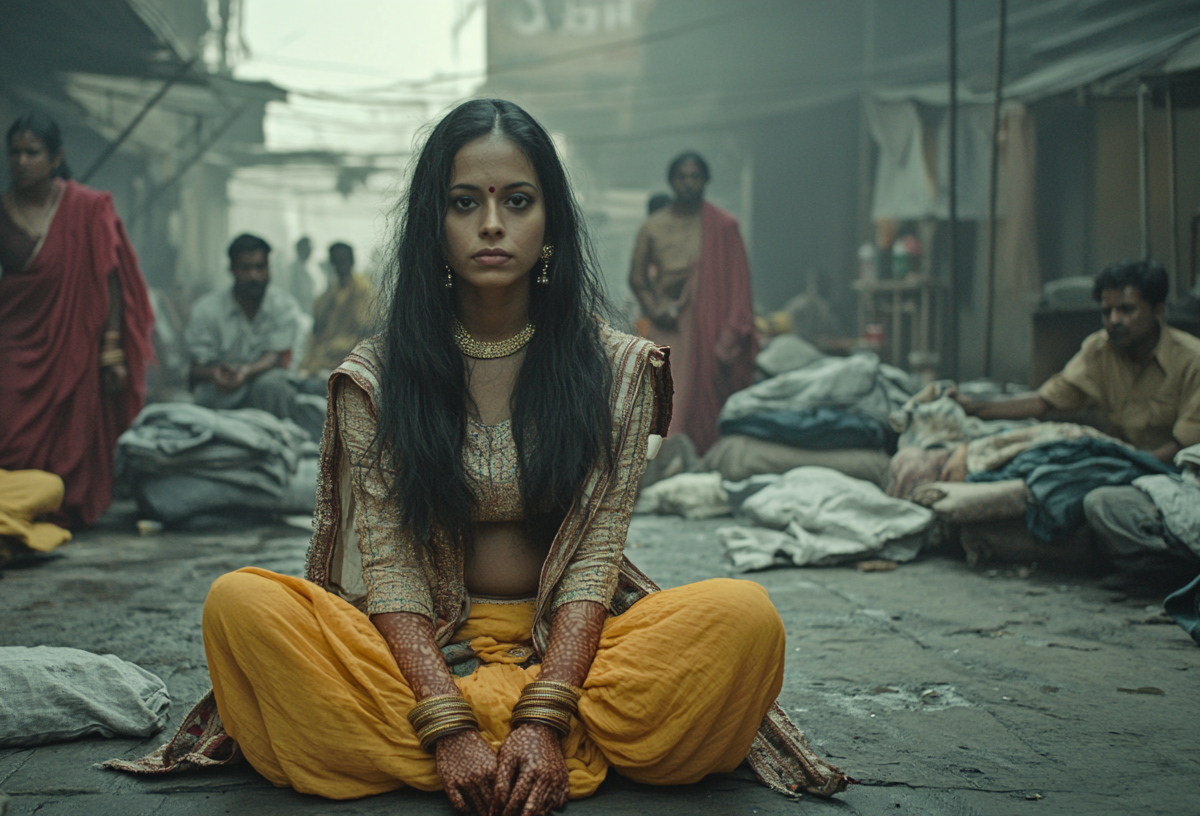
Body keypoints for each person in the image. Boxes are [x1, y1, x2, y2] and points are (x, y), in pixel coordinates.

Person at [201, 99, 796, 814]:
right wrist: (448, 723)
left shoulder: (614, 368)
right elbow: (388, 567)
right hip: (422, 647)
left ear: (549, 222)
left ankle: (509, 745)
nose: (491, 225)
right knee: (240, 604)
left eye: (517, 201)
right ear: (435, 223)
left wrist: (544, 714)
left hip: (571, 647)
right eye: (464, 203)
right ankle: (509, 751)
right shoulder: (381, 375)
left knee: (745, 618)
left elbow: (594, 560)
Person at [953, 260, 1200, 587]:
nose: (1114, 320)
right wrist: (975, 408)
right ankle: (1126, 554)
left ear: (1157, 309)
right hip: (1129, 469)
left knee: (1098, 503)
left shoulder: (1199, 361)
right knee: (1046, 489)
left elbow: (1191, 445)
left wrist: (1122, 467)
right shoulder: (1100, 349)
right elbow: (1046, 401)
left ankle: (1165, 572)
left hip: (1181, 476)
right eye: (1107, 311)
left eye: (1127, 310)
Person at [0, 112, 153, 529]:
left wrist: (111, 349)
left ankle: (58, 512)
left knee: (74, 433)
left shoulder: (88, 208)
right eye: (14, 152)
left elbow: (111, 279)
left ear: (56, 157)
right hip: (13, 343)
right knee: (5, 433)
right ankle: (13, 511)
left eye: (32, 152)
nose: (21, 161)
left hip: (77, 343)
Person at [628, 152, 755, 454]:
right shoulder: (653, 227)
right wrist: (655, 309)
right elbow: (636, 278)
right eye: (681, 177)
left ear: (705, 181)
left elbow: (739, 285)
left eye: (694, 176)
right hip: (668, 325)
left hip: (709, 326)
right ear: (671, 181)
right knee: (669, 405)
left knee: (706, 406)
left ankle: (703, 462)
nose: (688, 183)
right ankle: (666, 464)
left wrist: (729, 331)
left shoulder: (723, 227)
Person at [184, 234, 310, 421]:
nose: (254, 275)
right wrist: (215, 374)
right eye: (246, 268)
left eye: (260, 267)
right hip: (220, 401)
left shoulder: (284, 306)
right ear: (232, 270)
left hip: (266, 399)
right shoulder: (206, 310)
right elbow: (197, 367)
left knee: (274, 383)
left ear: (268, 269)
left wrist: (245, 372)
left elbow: (276, 356)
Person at [299, 241, 375, 377]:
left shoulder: (362, 288)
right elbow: (319, 325)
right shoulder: (331, 292)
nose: (340, 266)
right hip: (325, 352)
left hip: (348, 350)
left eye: (343, 261)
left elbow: (364, 327)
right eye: (336, 262)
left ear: (351, 261)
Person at [288, 235, 318, 315]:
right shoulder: (292, 269)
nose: (309, 251)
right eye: (307, 248)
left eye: (311, 248)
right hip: (298, 311)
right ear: (299, 249)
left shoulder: (314, 268)